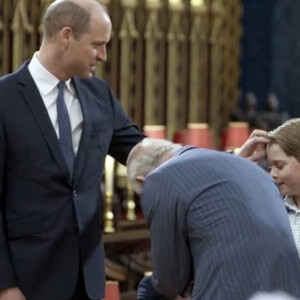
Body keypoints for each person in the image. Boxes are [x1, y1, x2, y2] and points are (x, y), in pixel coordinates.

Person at [0, 0, 145, 299]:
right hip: (27, 281)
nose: (103, 56)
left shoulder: (99, 94)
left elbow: (142, 150)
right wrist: (4, 285)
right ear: (66, 36)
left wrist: (223, 161)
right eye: (97, 45)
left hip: (88, 279)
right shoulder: (5, 99)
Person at [126, 138, 300, 300]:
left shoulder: (158, 178)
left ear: (142, 181)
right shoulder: (248, 166)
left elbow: (170, 280)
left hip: (230, 290)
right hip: (289, 288)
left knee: (150, 288)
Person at [266, 118, 300, 256]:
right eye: (270, 166)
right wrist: (240, 160)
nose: (272, 174)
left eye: (280, 166)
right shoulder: (271, 208)